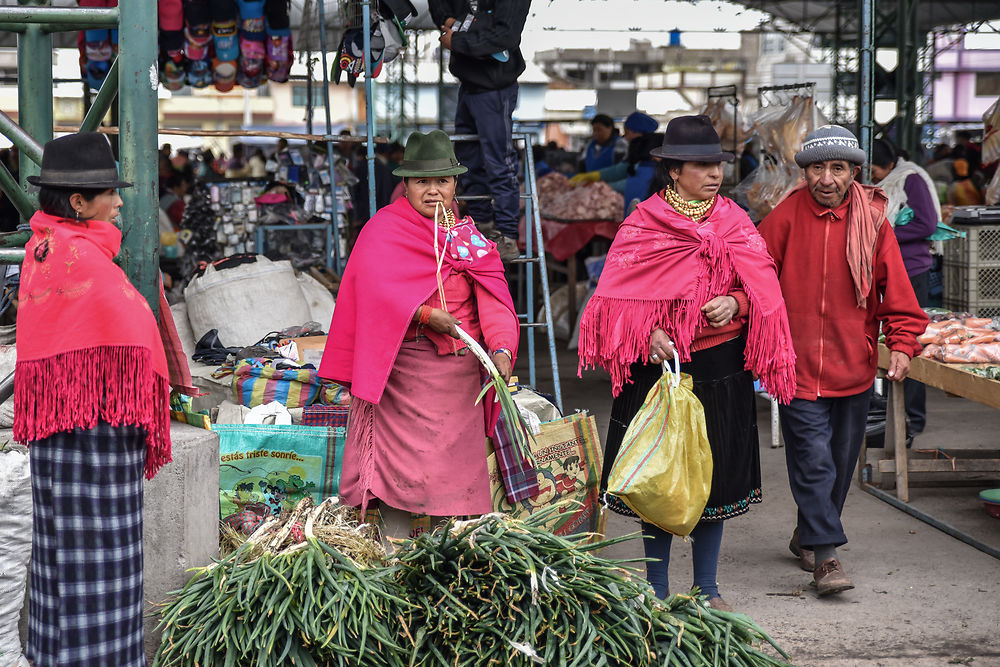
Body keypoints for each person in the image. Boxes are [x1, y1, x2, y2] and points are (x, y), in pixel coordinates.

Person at [578, 115, 796, 611]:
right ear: (673, 170)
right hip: (656, 365)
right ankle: (655, 591)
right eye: (700, 165)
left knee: (711, 478)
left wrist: (737, 303)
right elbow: (612, 298)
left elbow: (761, 285)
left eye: (716, 163)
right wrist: (648, 329)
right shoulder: (643, 224)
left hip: (720, 364)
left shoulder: (734, 222)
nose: (714, 173)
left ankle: (707, 589)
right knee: (658, 475)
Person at [16, 132, 172, 666]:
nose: (121, 200)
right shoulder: (79, 258)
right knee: (101, 568)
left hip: (64, 434)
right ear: (78, 203)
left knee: (61, 565)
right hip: (93, 439)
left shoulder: (48, 247)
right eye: (110, 191)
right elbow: (123, 335)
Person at [319, 130, 519, 542]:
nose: (433, 191)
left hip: (460, 382)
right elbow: (371, 296)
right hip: (402, 375)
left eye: (442, 182)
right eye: (422, 182)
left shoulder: (469, 238)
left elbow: (495, 299)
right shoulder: (382, 230)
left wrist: (501, 349)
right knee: (399, 484)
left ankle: (439, 569)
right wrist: (427, 315)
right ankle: (394, 563)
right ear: (405, 185)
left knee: (452, 489)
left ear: (455, 185)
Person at [758, 125, 927, 596]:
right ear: (805, 172)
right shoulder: (785, 216)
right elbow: (753, 274)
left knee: (838, 461)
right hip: (793, 367)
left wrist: (902, 344)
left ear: (854, 171)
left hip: (853, 366)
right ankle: (827, 559)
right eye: (817, 168)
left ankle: (807, 535)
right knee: (813, 462)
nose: (826, 178)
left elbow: (899, 296)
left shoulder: (874, 223)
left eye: (837, 168)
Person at [429, 0, 530, 263]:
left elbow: (506, 34)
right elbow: (442, 14)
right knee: (468, 161)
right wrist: (450, 24)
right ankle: (482, 225)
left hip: (495, 87)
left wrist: (460, 41)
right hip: (469, 84)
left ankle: (507, 235)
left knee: (498, 161)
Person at [870, 138, 940, 436]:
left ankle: (913, 419)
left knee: (909, 341)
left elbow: (927, 224)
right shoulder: (885, 181)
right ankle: (890, 419)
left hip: (911, 271)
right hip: (886, 271)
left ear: (887, 164)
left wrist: (884, 232)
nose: (871, 175)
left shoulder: (911, 179)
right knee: (889, 343)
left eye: (872, 168)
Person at [570, 111, 661, 216]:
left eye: (627, 132)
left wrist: (604, 187)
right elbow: (623, 168)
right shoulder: (636, 147)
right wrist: (597, 175)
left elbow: (640, 181)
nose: (625, 136)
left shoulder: (649, 149)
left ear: (635, 131)